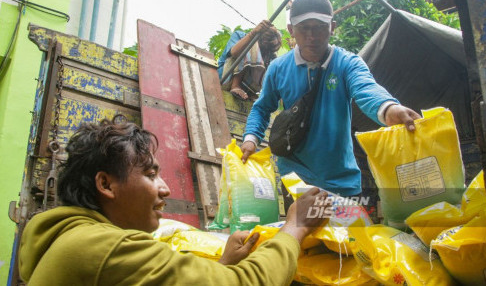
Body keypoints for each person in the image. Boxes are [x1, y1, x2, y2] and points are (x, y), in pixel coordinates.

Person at [18, 117, 327, 285]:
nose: (165, 189)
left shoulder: (70, 241)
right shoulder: (102, 249)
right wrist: (295, 227)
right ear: (105, 184)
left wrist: (221, 266)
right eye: (151, 175)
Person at [241, 0, 420, 198]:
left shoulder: (348, 63)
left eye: (319, 27)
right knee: (301, 229)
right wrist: (251, 138)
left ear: (332, 28)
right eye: (304, 28)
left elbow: (366, 88)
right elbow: (262, 108)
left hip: (342, 180)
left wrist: (388, 108)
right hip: (296, 178)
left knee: (345, 231)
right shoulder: (278, 68)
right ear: (291, 30)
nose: (312, 36)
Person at [218, 20, 282, 101]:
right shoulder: (240, 36)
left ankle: (250, 92)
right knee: (250, 45)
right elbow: (234, 53)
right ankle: (236, 85)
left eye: (268, 50)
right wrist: (253, 33)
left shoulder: (269, 55)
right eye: (264, 48)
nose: (265, 52)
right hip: (225, 77)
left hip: (246, 90)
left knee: (272, 63)